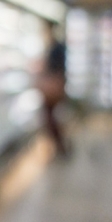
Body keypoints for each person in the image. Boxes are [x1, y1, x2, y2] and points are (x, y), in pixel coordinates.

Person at [37, 21, 68, 158]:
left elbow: (56, 70)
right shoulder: (55, 47)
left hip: (53, 87)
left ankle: (60, 146)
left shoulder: (56, 48)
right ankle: (58, 145)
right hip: (54, 87)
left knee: (51, 117)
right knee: (51, 118)